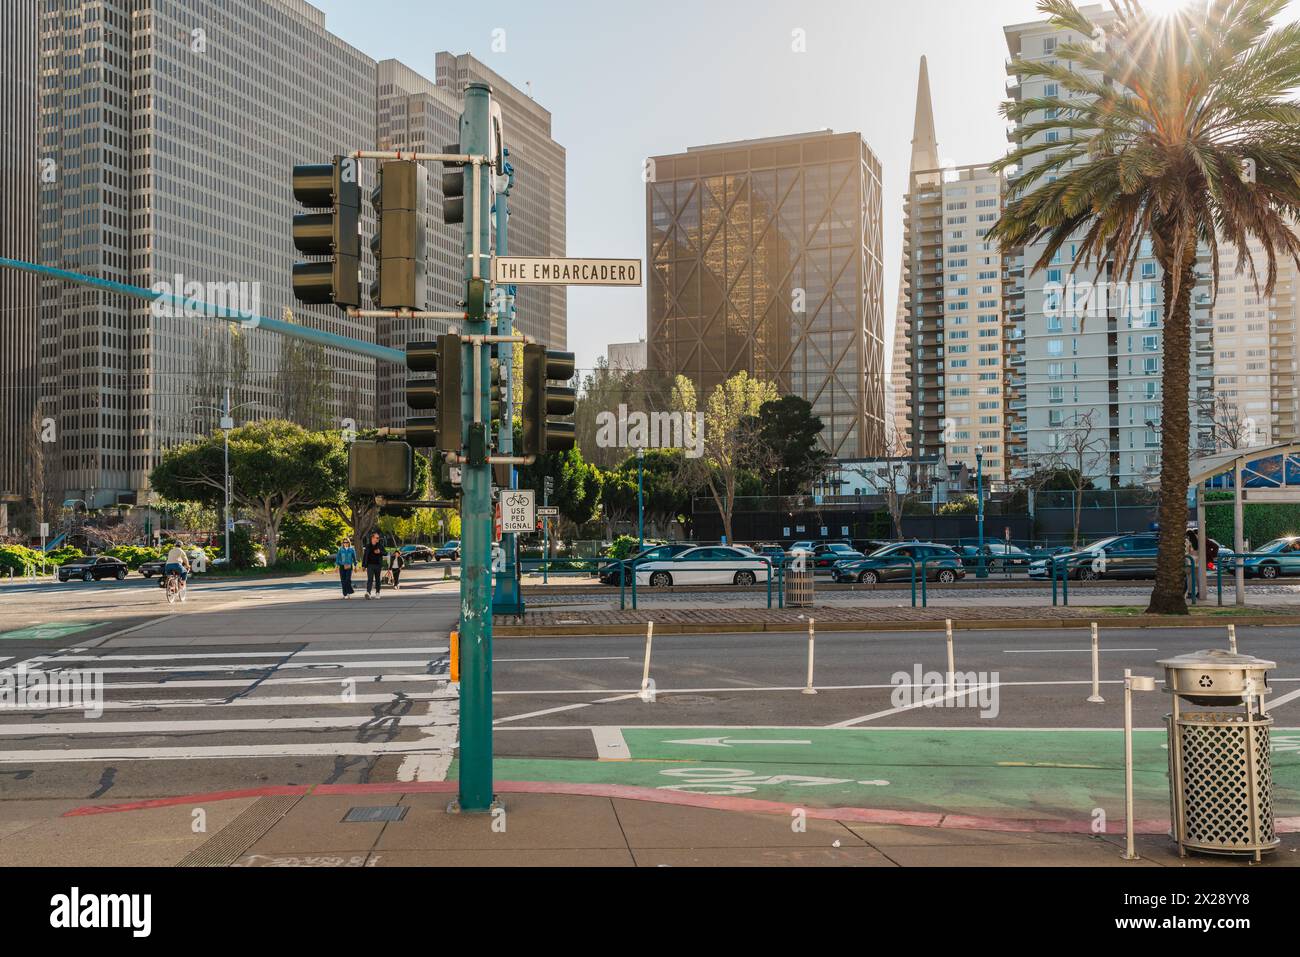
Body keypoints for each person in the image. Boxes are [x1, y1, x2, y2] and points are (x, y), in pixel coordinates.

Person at [362, 531, 386, 599]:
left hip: (378, 565)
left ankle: (377, 593)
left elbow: (385, 553)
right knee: (370, 579)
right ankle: (368, 592)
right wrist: (363, 565)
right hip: (370, 565)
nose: (378, 539)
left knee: (378, 579)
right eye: (377, 538)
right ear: (372, 538)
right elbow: (365, 556)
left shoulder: (380, 545)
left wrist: (380, 552)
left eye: (378, 538)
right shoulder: (368, 546)